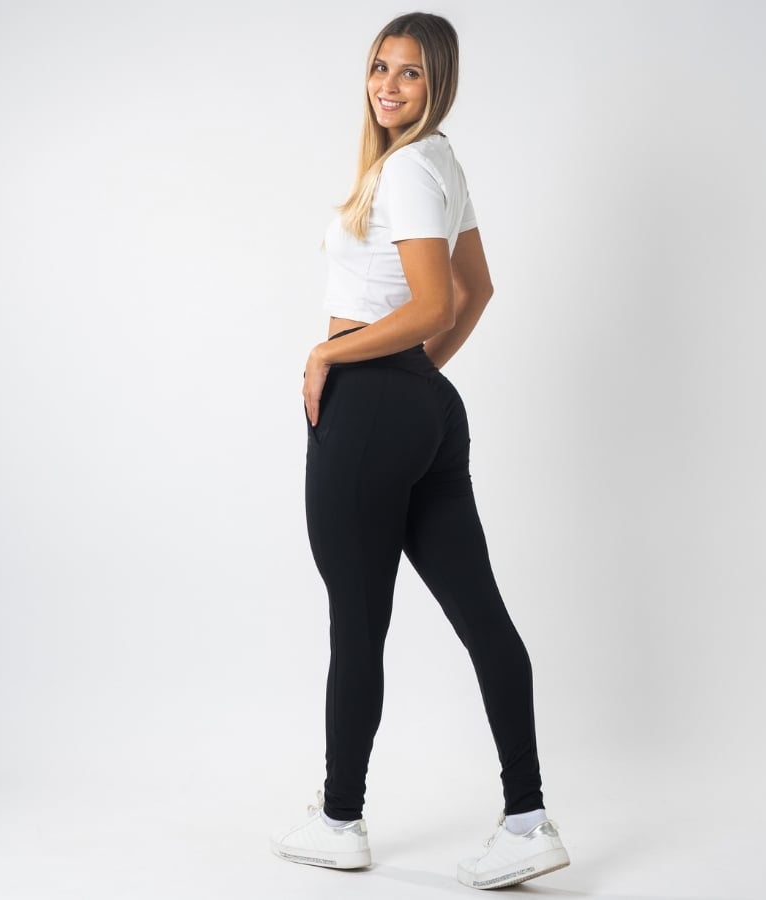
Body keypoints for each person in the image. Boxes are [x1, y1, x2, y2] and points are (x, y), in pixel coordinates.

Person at [270, 12, 570, 890]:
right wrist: (414, 380)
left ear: (439, 82)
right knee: (483, 616)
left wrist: (328, 355)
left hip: (368, 408)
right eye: (380, 67)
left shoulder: (405, 169)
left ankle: (340, 821)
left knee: (358, 624)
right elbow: (479, 290)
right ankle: (528, 820)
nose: (389, 86)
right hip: (423, 407)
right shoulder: (437, 161)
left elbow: (438, 302)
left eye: (410, 73)